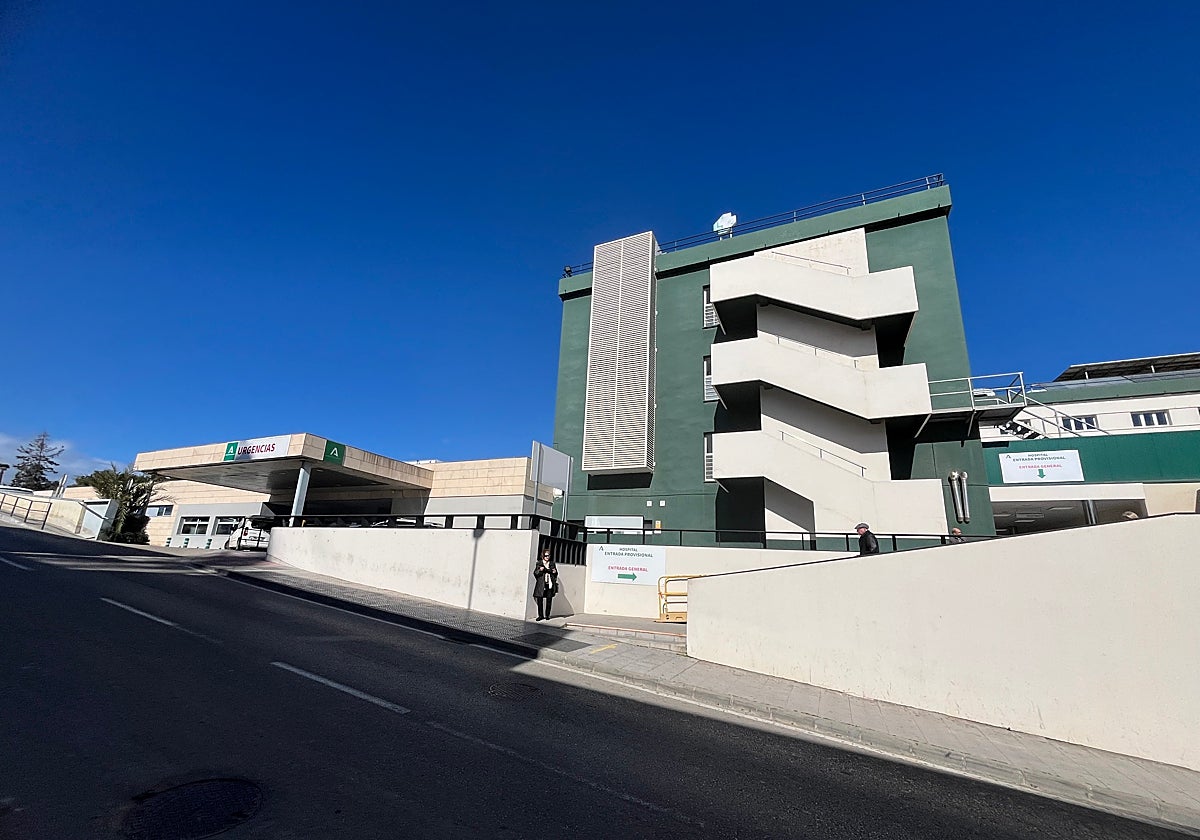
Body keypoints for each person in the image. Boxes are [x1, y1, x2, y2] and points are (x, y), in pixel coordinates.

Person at [533, 548, 559, 621]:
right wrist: (540, 570)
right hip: (541, 585)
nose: (547, 557)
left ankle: (547, 615)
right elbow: (535, 573)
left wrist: (555, 572)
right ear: (543, 556)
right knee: (540, 601)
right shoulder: (539, 563)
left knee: (549, 600)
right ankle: (540, 615)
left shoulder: (552, 563)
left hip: (549, 585)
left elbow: (556, 574)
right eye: (546, 555)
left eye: (548, 555)